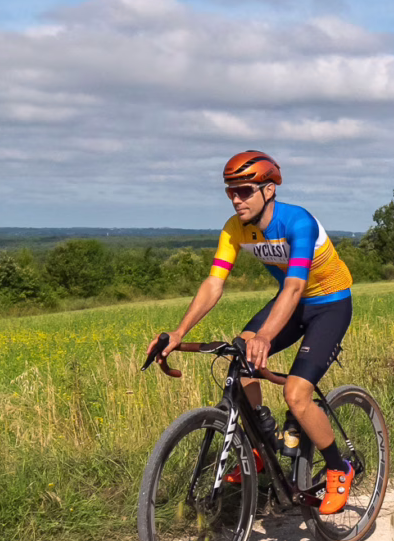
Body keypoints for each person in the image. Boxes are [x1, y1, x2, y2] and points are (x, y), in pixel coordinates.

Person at [148, 150, 358, 515]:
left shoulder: (299, 223)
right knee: (240, 354)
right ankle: (261, 447)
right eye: (231, 191)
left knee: (296, 393)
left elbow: (294, 287)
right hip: (290, 302)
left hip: (329, 304)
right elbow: (214, 283)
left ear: (269, 189)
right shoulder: (234, 229)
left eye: (244, 190)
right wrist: (179, 331)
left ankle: (340, 467)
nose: (236, 199)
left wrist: (265, 336)